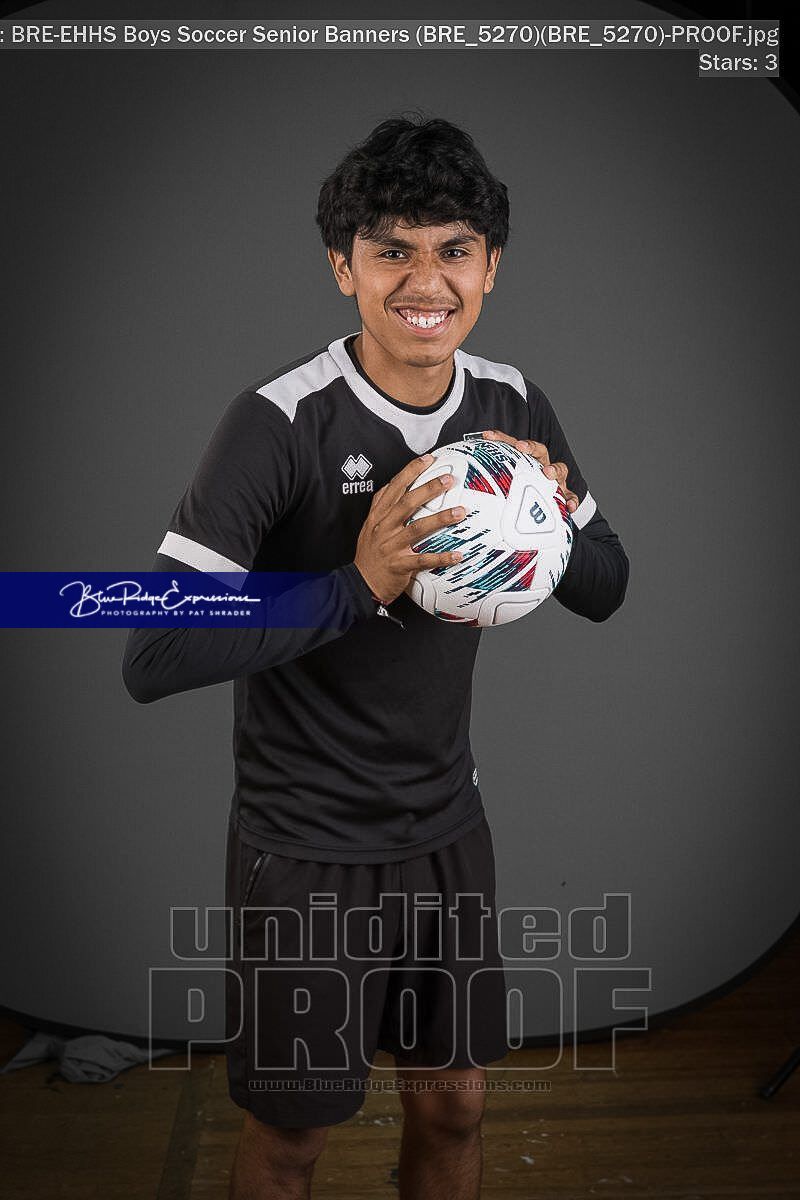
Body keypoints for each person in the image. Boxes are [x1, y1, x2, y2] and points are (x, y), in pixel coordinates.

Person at [122, 113, 629, 1200]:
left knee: (455, 1107)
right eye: (391, 249)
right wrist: (357, 585)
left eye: (453, 250)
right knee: (293, 1136)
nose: (424, 281)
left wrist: (549, 519)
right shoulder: (279, 421)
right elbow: (154, 649)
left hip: (447, 826)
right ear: (341, 265)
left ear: (490, 266)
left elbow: (606, 584)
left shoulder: (509, 405)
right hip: (307, 845)